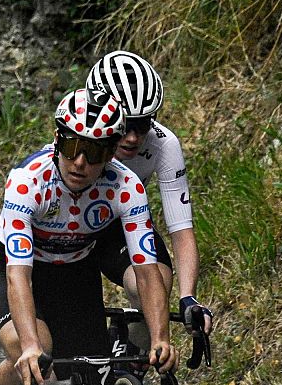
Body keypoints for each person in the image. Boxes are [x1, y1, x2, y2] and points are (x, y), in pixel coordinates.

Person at [0, 89, 177, 385]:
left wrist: (160, 336)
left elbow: (147, 267)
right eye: (71, 146)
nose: (81, 162)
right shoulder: (29, 181)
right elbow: (18, 274)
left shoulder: (126, 186)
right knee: (36, 350)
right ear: (57, 141)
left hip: (74, 274)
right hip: (15, 271)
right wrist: (30, 345)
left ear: (111, 152)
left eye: (94, 151)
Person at [84, 50, 214, 338]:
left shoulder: (164, 144)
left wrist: (188, 296)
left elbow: (181, 229)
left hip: (119, 223)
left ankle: (132, 355)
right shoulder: (78, 136)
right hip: (66, 229)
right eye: (124, 125)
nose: (132, 137)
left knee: (157, 282)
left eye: (142, 124)